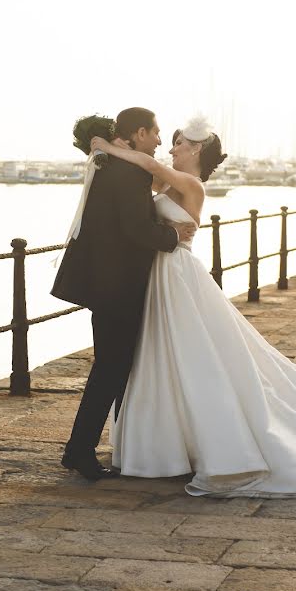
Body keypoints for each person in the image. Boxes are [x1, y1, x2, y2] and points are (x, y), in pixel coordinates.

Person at [88, 117, 296, 497]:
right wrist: (107, 156)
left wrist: (106, 145)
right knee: (159, 355)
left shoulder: (191, 184)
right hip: (158, 275)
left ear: (196, 149)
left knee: (195, 354)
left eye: (179, 143)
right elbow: (138, 188)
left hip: (178, 275)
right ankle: (165, 446)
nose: (171, 149)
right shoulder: (167, 181)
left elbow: (148, 166)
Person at [51, 107, 197, 480]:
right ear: (138, 133)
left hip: (107, 282)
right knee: (111, 369)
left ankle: (103, 448)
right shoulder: (128, 172)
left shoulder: (110, 167)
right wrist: (171, 236)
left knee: (111, 367)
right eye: (156, 133)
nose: (161, 141)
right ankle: (81, 452)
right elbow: (134, 228)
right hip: (118, 285)